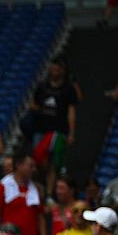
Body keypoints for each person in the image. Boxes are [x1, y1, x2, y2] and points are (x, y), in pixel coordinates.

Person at [26, 58, 80, 188]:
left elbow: (71, 111)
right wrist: (36, 108)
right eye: (52, 69)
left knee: (55, 164)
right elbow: (32, 103)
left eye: (57, 70)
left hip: (58, 131)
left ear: (62, 71)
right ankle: (39, 185)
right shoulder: (42, 86)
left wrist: (72, 133)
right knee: (38, 160)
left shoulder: (68, 89)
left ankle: (50, 192)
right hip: (40, 129)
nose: (54, 72)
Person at [0, 153, 46, 235]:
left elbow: (40, 218)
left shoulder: (36, 189)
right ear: (19, 165)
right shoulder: (3, 187)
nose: (34, 170)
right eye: (30, 166)